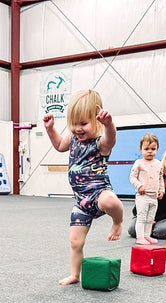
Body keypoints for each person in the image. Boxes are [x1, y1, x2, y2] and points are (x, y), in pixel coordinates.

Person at [42, 89, 124, 285]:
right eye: (74, 123)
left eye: (83, 124)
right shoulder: (73, 138)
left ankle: (118, 221)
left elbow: (111, 139)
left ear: (97, 121)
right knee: (75, 242)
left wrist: (109, 125)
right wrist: (50, 129)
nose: (78, 128)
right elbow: (60, 145)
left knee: (110, 200)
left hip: (98, 192)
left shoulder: (100, 143)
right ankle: (75, 275)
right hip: (81, 202)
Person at [128, 143, 166, 240]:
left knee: (162, 230)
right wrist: (148, 219)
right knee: (132, 230)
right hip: (146, 211)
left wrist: (154, 221)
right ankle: (148, 230)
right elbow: (142, 197)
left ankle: (150, 230)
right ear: (165, 157)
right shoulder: (153, 172)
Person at [129, 133, 164, 244]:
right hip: (143, 196)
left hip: (154, 197)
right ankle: (140, 237)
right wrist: (139, 186)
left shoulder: (158, 164)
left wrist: (161, 190)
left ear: (157, 149)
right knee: (142, 217)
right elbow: (132, 177)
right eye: (146, 149)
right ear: (141, 149)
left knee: (150, 218)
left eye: (153, 149)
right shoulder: (139, 163)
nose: (150, 151)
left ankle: (146, 235)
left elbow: (160, 179)